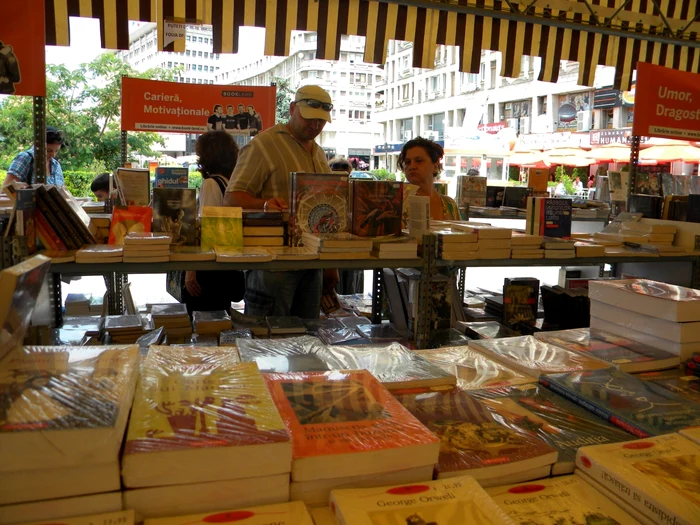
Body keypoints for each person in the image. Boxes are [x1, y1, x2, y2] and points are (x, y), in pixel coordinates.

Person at [224, 85, 338, 319]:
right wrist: (265, 205)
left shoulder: (317, 152)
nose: (315, 125)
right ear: (292, 108)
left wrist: (329, 264)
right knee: (269, 345)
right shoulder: (263, 145)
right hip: (273, 267)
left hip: (311, 265)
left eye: (321, 121)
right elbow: (232, 198)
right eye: (309, 118)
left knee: (307, 342)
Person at [182, 130, 244, 315]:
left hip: (208, 271)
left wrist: (190, 270)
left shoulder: (210, 184)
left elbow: (206, 232)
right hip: (225, 267)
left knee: (203, 325)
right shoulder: (229, 183)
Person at [399, 137, 460, 225]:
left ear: (435, 167)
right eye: (407, 162)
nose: (412, 166)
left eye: (419, 161)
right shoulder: (397, 204)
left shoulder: (449, 204)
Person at [329, 156, 363, 295]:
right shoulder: (325, 193)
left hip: (353, 246)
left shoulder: (356, 191)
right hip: (332, 247)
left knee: (351, 286)